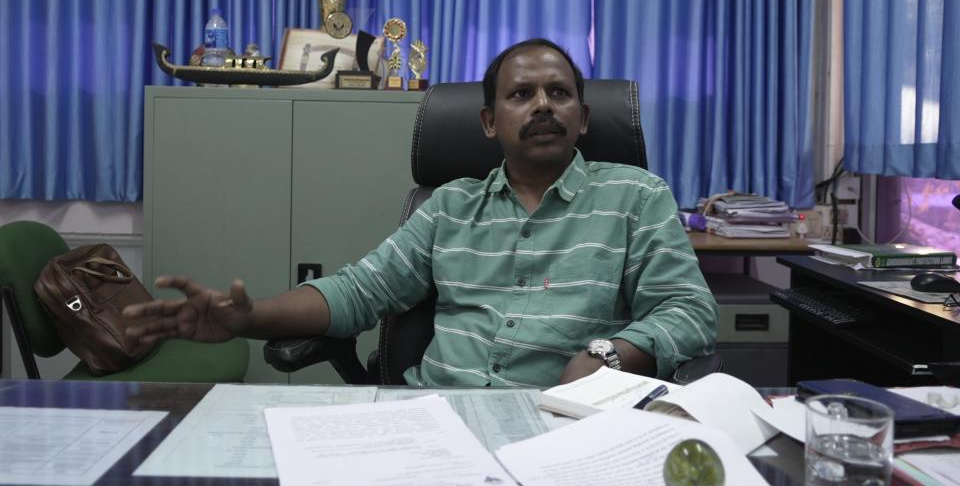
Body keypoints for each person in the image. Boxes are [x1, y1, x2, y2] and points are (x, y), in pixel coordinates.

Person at [125, 38, 718, 387]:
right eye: (520, 95)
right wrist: (246, 318)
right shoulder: (451, 206)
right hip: (436, 423)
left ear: (584, 120)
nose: (542, 105)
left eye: (559, 93)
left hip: (561, 427)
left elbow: (689, 311)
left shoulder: (636, 197)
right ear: (489, 122)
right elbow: (359, 292)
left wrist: (606, 355)